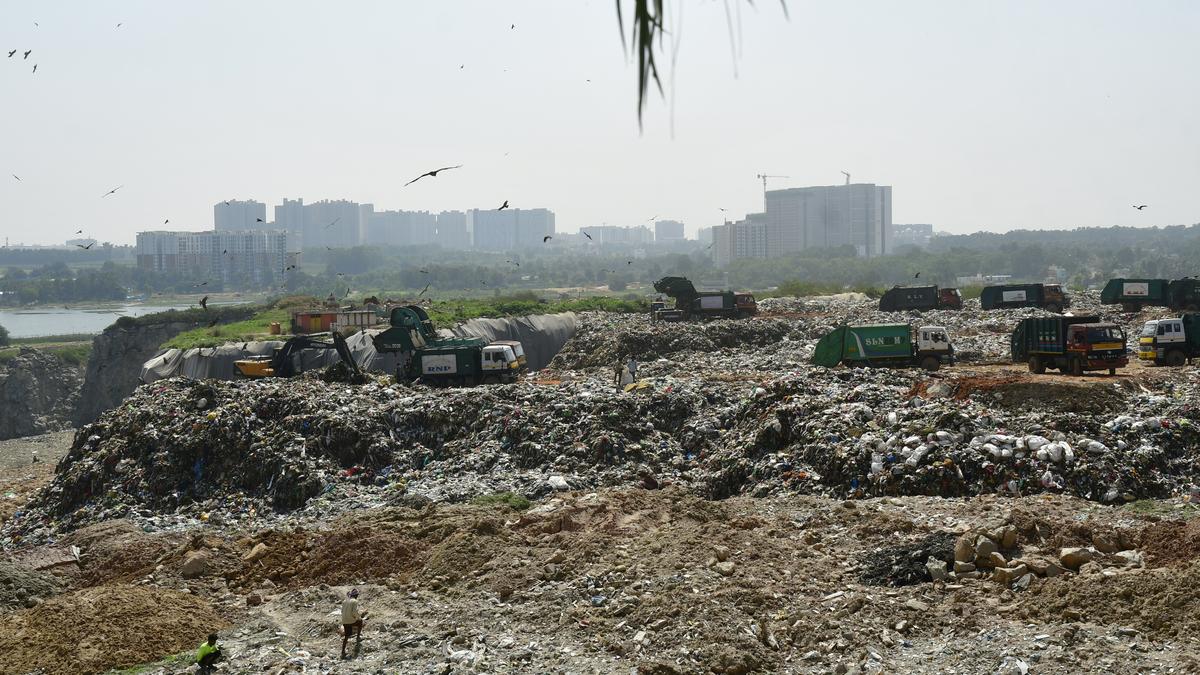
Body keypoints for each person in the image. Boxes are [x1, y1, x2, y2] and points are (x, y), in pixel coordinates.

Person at [341, 588, 367, 658]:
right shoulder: (355, 601)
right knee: (360, 622)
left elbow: (342, 611)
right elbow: (354, 612)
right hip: (351, 621)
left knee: (346, 636)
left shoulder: (344, 601)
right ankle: (358, 637)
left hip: (344, 621)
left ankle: (343, 651)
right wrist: (359, 617)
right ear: (356, 595)